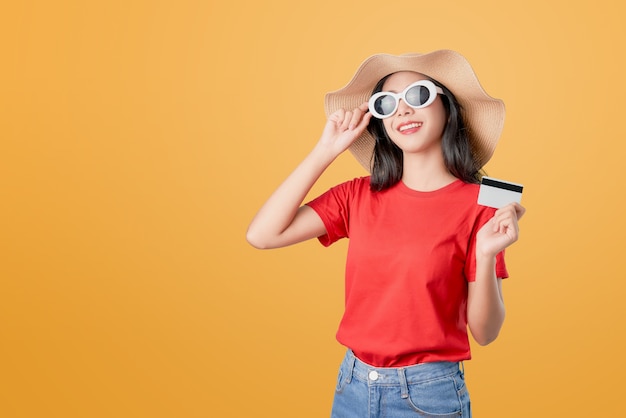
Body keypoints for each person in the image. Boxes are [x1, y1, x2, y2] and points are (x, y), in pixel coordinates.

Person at [246, 50, 525, 418]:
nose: (402, 110)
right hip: (352, 385)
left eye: (418, 96)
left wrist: (487, 254)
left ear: (447, 107)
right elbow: (262, 235)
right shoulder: (357, 195)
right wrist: (326, 150)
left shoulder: (482, 204)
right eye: (386, 103)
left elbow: (486, 333)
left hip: (429, 396)